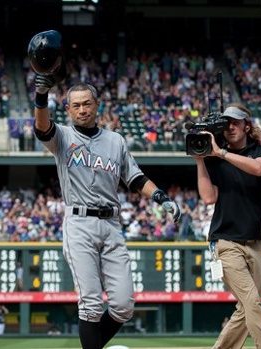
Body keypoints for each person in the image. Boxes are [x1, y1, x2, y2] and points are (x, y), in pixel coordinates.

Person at [33, 75, 181, 349]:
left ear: (97, 105)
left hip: (112, 224)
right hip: (79, 223)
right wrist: (42, 95)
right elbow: (42, 128)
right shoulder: (63, 137)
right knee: (89, 303)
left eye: (86, 104)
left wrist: (160, 196)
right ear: (67, 109)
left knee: (124, 305)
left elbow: (135, 178)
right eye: (75, 105)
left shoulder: (115, 141)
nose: (81, 110)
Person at [191, 103, 261, 349]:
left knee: (247, 307)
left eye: (235, 122)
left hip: (256, 242)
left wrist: (221, 153)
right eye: (225, 123)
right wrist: (200, 161)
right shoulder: (215, 160)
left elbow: (259, 168)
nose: (230, 127)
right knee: (251, 302)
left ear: (246, 126)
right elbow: (209, 198)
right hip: (226, 242)